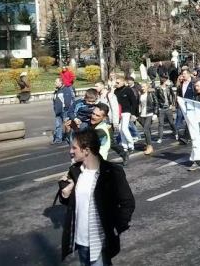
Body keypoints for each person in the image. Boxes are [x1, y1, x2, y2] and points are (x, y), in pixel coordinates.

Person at [58, 129, 135, 265]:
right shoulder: (75, 171)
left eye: (74, 148)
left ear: (86, 150)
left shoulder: (111, 172)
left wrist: (117, 227)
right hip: (81, 241)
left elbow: (127, 202)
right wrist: (65, 194)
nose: (70, 151)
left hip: (99, 242)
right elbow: (71, 202)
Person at [114, 75, 137, 153]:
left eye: (118, 82)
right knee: (120, 129)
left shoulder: (128, 90)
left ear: (123, 82)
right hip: (119, 112)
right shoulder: (115, 91)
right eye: (116, 82)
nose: (116, 84)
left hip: (127, 111)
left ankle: (131, 144)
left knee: (124, 128)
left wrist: (133, 113)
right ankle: (125, 146)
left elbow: (134, 102)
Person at [154, 75, 176, 144]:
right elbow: (156, 99)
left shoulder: (169, 87)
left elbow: (173, 95)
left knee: (171, 122)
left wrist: (172, 104)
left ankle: (176, 133)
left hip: (168, 108)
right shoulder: (157, 88)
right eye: (167, 80)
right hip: (161, 108)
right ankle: (160, 138)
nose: (168, 82)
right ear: (164, 81)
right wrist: (158, 107)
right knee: (161, 124)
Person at [53, 78, 75, 144]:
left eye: (56, 82)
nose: (55, 83)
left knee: (67, 125)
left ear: (61, 82)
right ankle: (58, 139)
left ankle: (69, 138)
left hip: (64, 111)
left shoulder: (66, 89)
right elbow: (55, 101)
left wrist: (66, 109)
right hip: (58, 111)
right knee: (58, 126)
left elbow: (68, 101)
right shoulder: (56, 91)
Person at [138, 82, 158, 155]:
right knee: (148, 130)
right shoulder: (140, 94)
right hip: (142, 114)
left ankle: (150, 146)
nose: (142, 88)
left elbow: (156, 104)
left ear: (147, 87)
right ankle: (147, 144)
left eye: (144, 86)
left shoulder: (151, 94)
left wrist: (155, 113)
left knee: (145, 129)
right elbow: (139, 105)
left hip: (149, 113)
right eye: (141, 86)